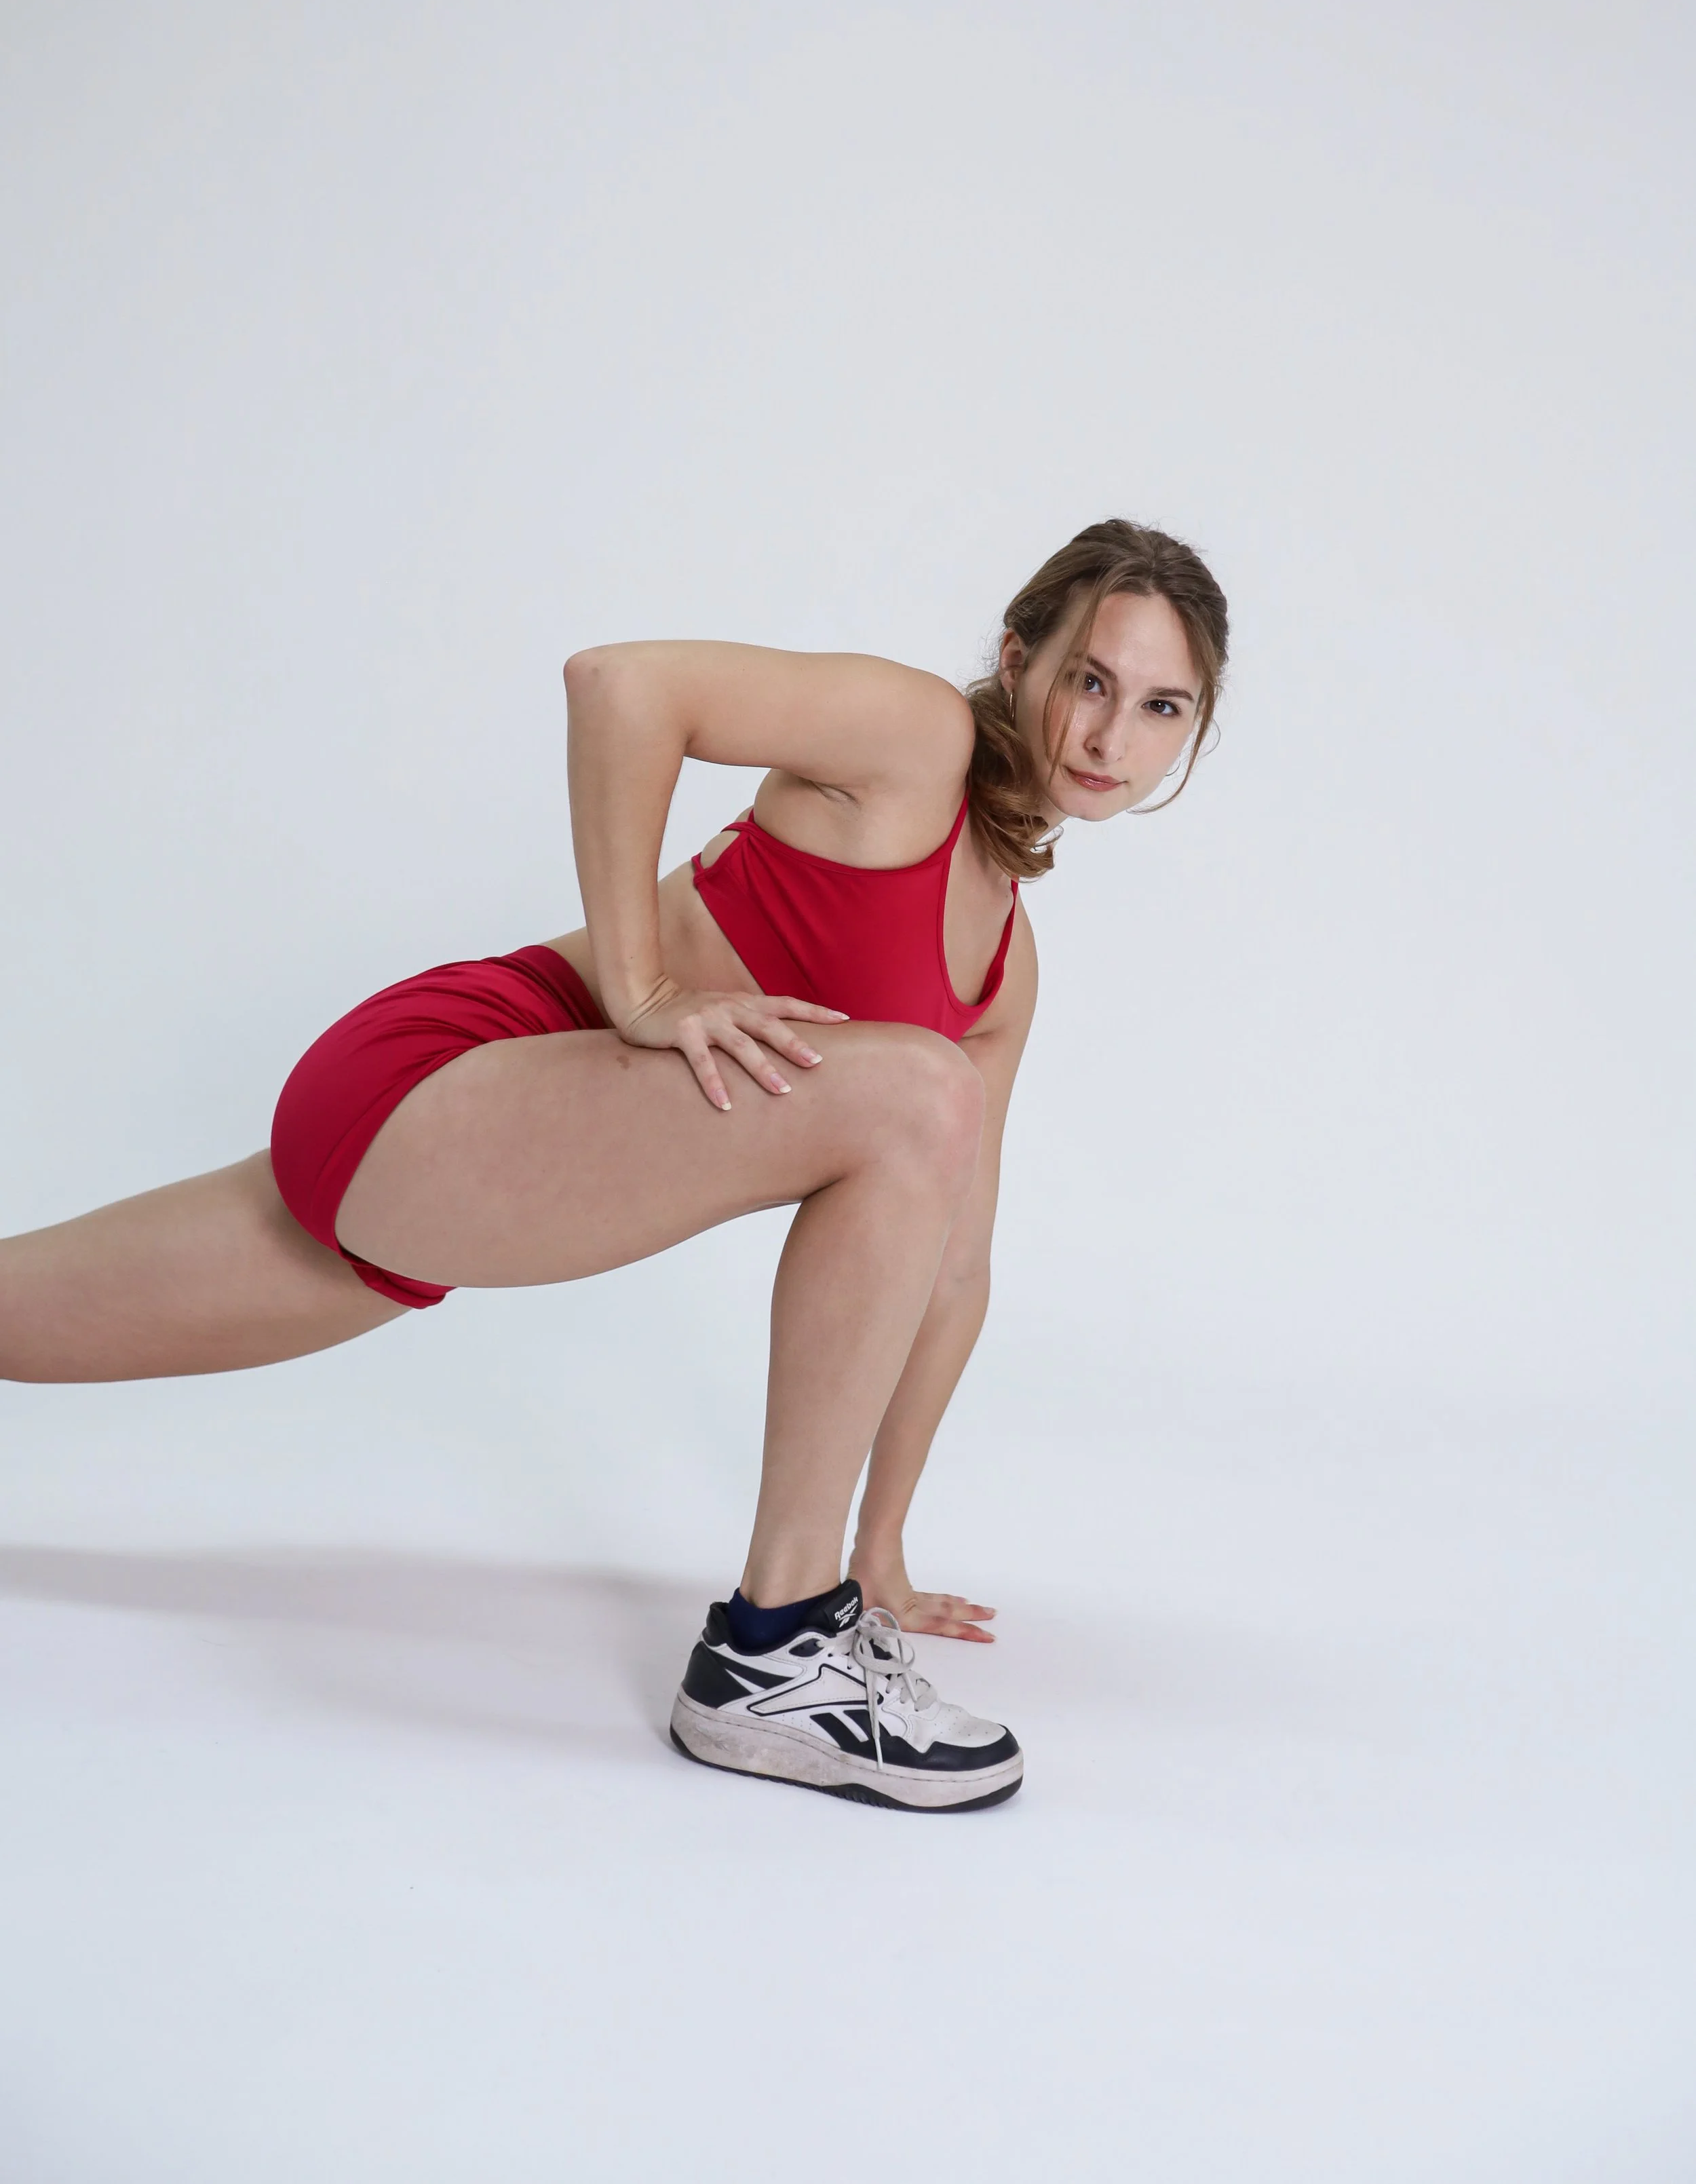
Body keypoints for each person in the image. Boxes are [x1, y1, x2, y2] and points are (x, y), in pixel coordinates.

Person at [0, 520, 1227, 1812]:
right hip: (445, 1075)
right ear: (1018, 659)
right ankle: (774, 1645)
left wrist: (884, 1550)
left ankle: (829, 1598)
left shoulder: (1003, 967)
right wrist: (640, 988)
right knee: (916, 1088)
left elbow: (951, 1271)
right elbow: (624, 683)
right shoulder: (916, 738)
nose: (1107, 737)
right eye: (1089, 680)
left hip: (475, 1167)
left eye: (1159, 708)